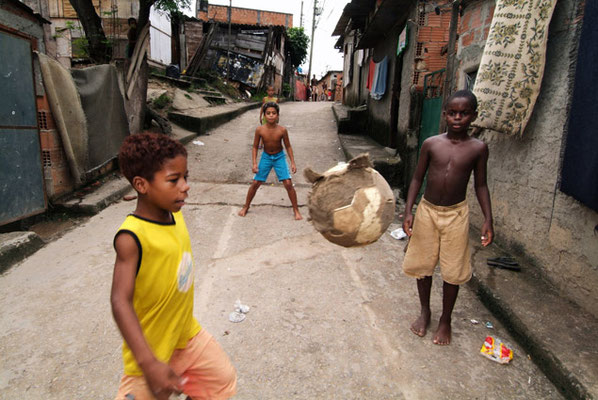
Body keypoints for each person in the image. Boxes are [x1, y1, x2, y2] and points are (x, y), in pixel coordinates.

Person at [111, 133, 237, 400]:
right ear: (141, 185)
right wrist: (148, 364)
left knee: (221, 383)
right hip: (150, 352)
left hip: (186, 336)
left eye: (185, 177)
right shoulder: (131, 237)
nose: (185, 186)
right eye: (174, 180)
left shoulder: (174, 215)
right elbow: (119, 300)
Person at [401, 90, 493, 345]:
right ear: (444, 115)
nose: (457, 118)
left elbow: (481, 185)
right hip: (427, 211)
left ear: (473, 116)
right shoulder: (431, 143)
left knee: (453, 270)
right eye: (452, 113)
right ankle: (425, 311)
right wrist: (409, 211)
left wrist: (488, 219)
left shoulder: (478, 149)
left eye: (464, 113)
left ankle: (445, 320)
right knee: (422, 264)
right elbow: (418, 178)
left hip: (456, 215)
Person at [238, 102, 302, 220]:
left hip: (279, 157)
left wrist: (292, 162)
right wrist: (254, 163)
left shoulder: (282, 130)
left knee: (288, 183)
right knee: (256, 183)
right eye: (268, 113)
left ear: (278, 115)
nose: (271, 115)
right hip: (266, 157)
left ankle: (296, 209)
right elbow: (255, 147)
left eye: (274, 113)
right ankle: (246, 206)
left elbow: (288, 146)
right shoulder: (260, 130)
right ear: (264, 115)